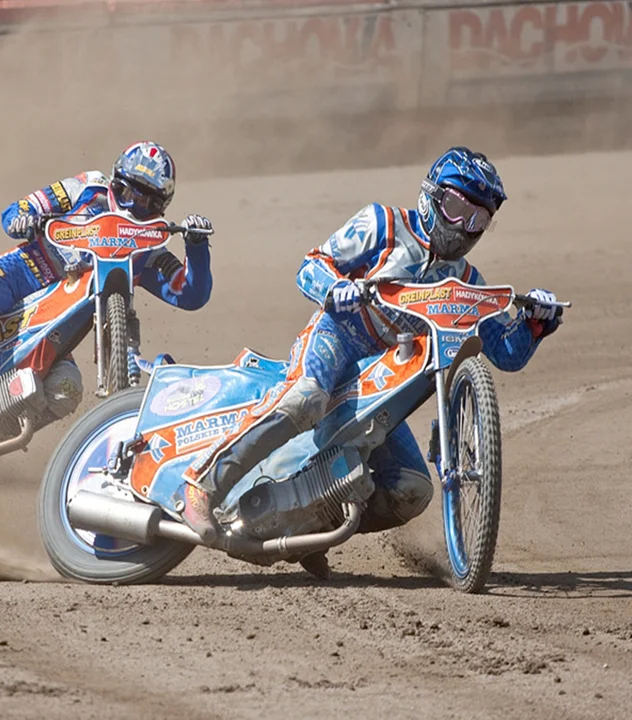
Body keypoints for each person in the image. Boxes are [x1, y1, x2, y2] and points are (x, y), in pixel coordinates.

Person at [179, 147, 564, 569]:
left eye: (478, 219)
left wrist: (534, 324)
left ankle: (310, 532)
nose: (463, 228)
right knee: (304, 398)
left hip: (386, 377)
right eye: (455, 208)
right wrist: (335, 288)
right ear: (431, 196)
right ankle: (202, 483)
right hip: (339, 339)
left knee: (413, 489)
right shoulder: (381, 224)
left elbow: (505, 353)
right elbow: (311, 266)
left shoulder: (467, 281)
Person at [0, 141, 214, 448]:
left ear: (160, 208)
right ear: (113, 182)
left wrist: (197, 247)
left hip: (59, 320)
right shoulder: (87, 186)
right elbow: (19, 209)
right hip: (24, 272)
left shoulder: (148, 249)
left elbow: (190, 294)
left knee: (66, 389)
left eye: (145, 202)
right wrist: (25, 218)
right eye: (126, 192)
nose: (130, 206)